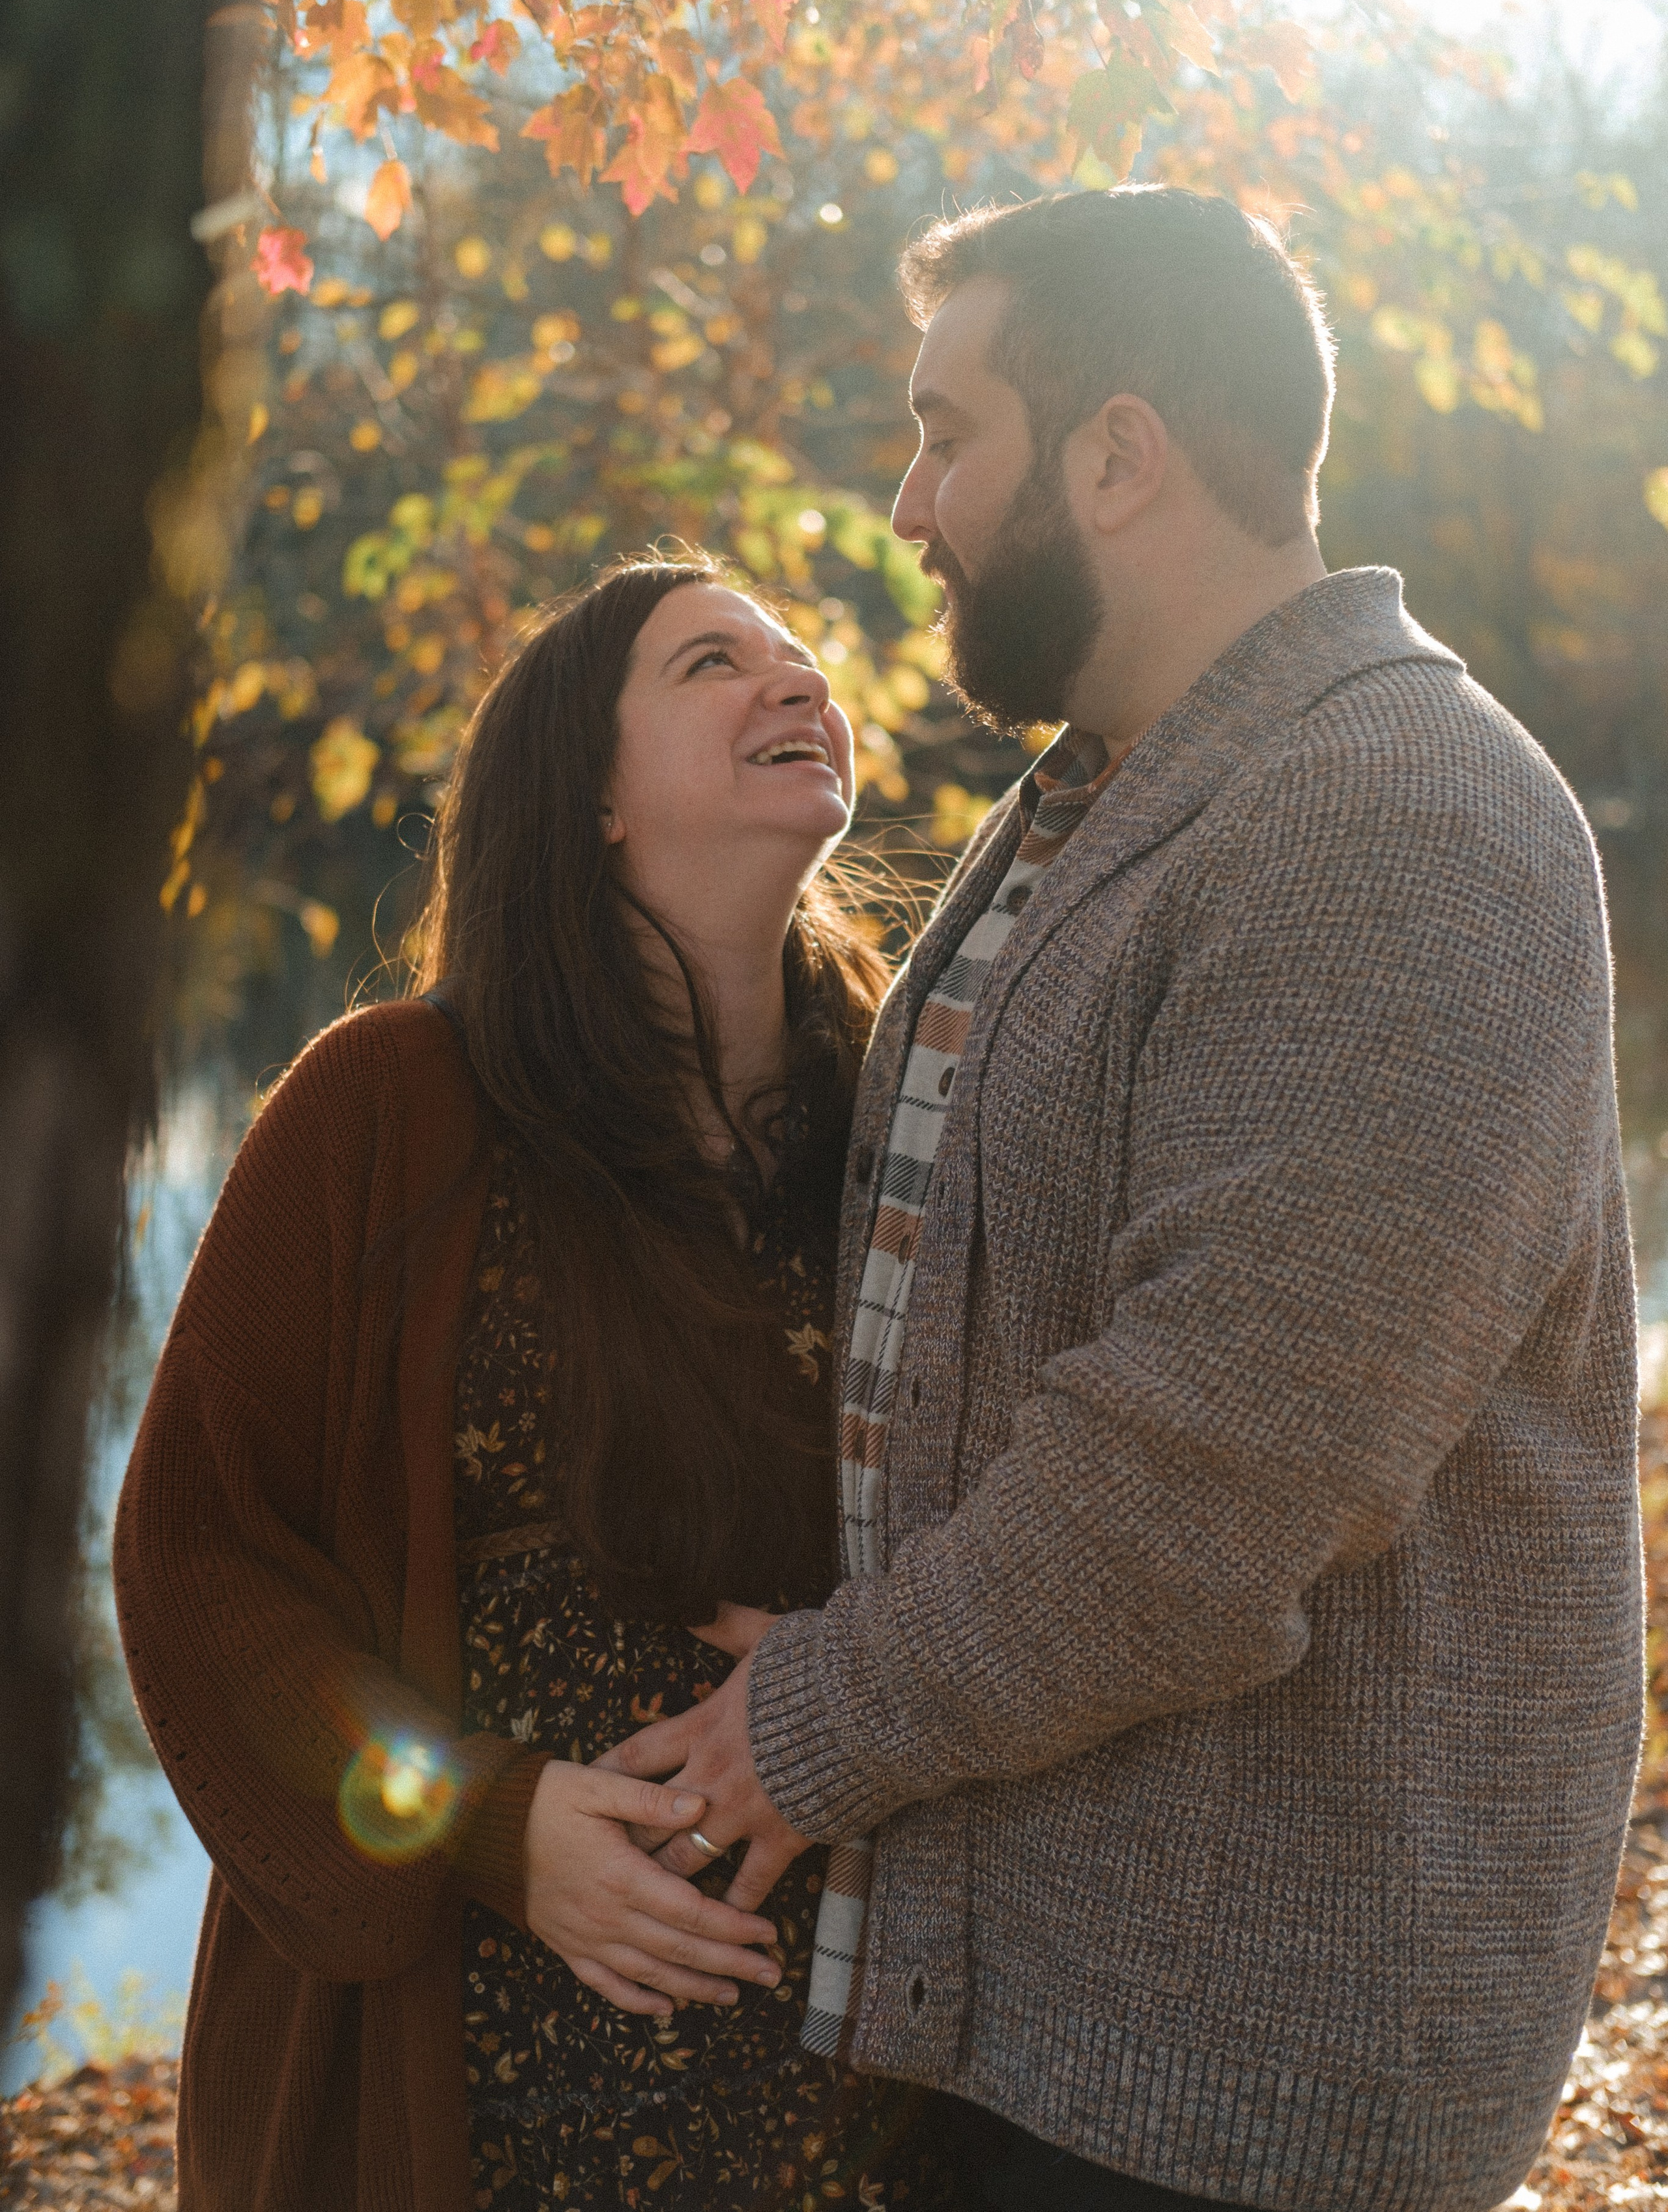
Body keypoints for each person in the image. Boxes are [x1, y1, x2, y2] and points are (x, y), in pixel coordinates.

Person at [601, 188, 1643, 2212]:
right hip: (1053, 2002)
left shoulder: (1399, 813)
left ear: (1117, 453)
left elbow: (1209, 1481)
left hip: (1242, 2074)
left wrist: (806, 1727)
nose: (910, 502)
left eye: (945, 430)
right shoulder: (1107, 799)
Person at [113, 558, 959, 2211]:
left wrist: (866, 1697)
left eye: (804, 661)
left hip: (855, 2091)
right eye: (717, 662)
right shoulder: (391, 1104)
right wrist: (484, 1823)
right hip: (467, 2080)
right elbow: (199, 1554)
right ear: (588, 799)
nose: (796, 685)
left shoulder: (909, 1123)